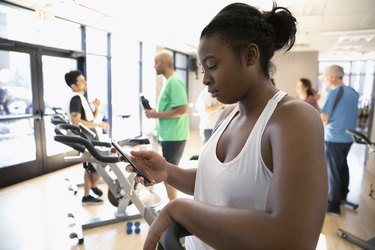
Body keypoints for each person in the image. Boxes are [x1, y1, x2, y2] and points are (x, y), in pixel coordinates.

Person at [126, 3, 327, 249]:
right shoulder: (226, 116)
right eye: (203, 69)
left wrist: (181, 209)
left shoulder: (294, 118)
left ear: (250, 56)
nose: (206, 79)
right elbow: (219, 181)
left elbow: (294, 238)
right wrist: (168, 171)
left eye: (212, 65)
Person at [143, 50, 189, 201]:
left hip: (174, 135)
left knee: (170, 174)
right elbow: (170, 109)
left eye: (155, 63)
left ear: (163, 62)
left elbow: (182, 109)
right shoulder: (168, 82)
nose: (154, 66)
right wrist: (156, 112)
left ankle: (174, 206)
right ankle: (173, 204)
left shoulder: (174, 82)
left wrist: (156, 114)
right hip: (168, 134)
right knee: (168, 172)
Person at [64, 70, 110, 205]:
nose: (85, 83)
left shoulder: (80, 98)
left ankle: (89, 191)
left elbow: (90, 118)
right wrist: (99, 124)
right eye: (81, 81)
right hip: (86, 138)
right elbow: (76, 121)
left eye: (85, 80)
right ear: (73, 86)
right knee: (103, 163)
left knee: (90, 166)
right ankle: (89, 191)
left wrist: (97, 107)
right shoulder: (76, 99)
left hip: (89, 137)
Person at [320, 65, 359, 216]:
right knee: (343, 166)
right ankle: (343, 196)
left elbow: (324, 118)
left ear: (332, 77)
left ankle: (333, 205)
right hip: (349, 138)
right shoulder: (353, 92)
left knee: (333, 171)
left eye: (325, 76)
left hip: (334, 138)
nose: (324, 79)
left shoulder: (334, 92)